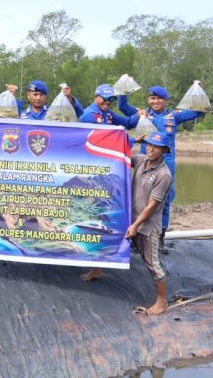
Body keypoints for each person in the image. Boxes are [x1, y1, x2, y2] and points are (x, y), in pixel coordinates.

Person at [80, 133, 173, 315]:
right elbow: (118, 158)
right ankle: (97, 270)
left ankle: (162, 301)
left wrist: (136, 225)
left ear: (164, 151)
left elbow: (152, 206)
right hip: (127, 218)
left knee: (151, 263)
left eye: (156, 147)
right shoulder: (140, 160)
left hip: (146, 225)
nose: (151, 149)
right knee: (108, 243)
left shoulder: (164, 175)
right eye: (149, 145)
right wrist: (131, 140)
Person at [117, 85, 206, 253]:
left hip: (166, 164)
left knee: (163, 202)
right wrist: (123, 88)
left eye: (159, 98)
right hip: (145, 163)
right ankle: (138, 238)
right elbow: (122, 107)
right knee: (140, 200)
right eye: (152, 98)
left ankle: (159, 239)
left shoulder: (174, 116)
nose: (155, 101)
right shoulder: (142, 115)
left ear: (165, 100)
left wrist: (197, 90)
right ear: (148, 100)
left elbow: (199, 111)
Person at [6, 80, 83, 120]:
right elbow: (2, 118)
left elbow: (78, 113)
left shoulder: (54, 112)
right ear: (28, 96)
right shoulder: (20, 115)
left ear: (45, 96)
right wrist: (9, 98)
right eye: (35, 94)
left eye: (41, 95)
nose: (38, 98)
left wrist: (69, 98)